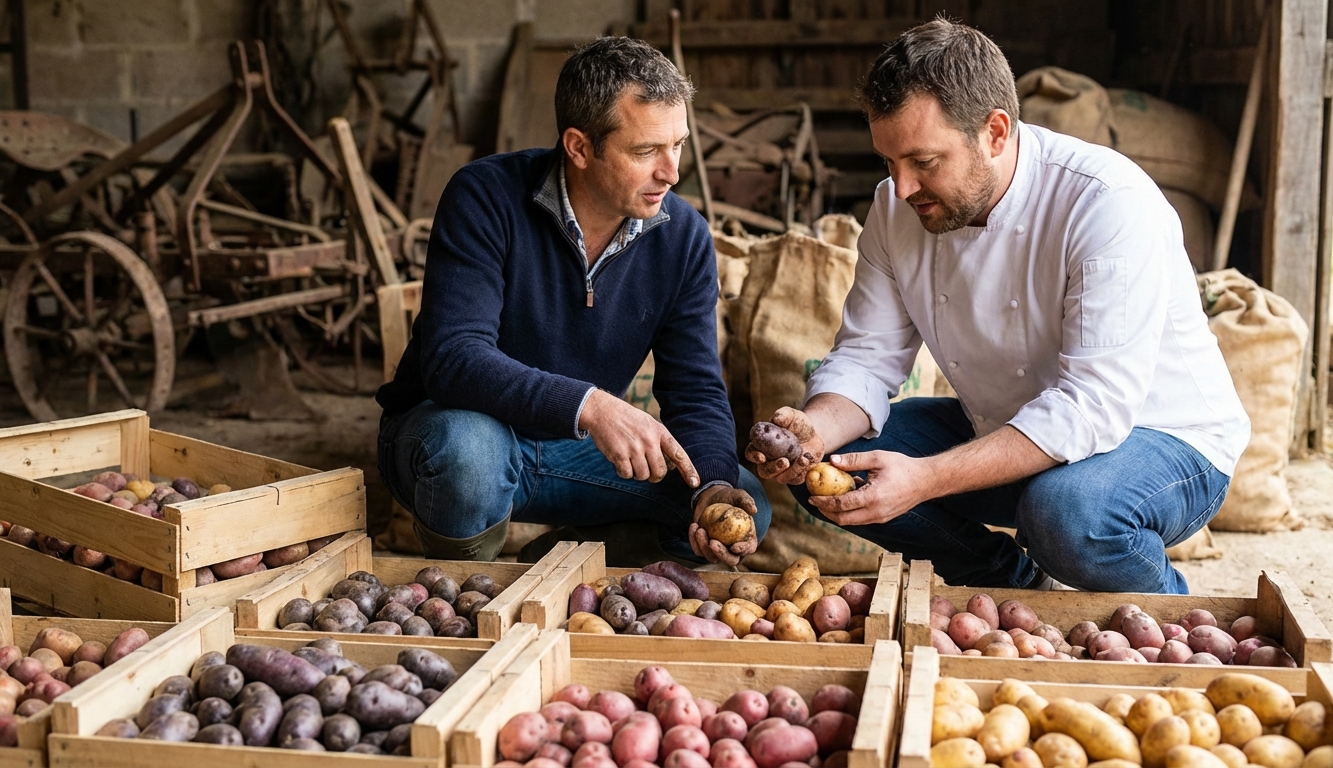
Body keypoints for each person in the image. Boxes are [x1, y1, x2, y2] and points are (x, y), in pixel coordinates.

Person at [746, 18, 1249, 594]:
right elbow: (865, 357)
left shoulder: (1107, 202)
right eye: (889, 163)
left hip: (1161, 438)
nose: (902, 188)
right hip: (1009, 425)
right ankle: (1015, 585)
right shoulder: (896, 207)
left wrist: (927, 479)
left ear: (995, 132)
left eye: (924, 162)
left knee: (1065, 515)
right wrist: (813, 432)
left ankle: (1171, 616)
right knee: (830, 470)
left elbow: (1094, 406)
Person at [376, 36, 769, 567]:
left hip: (574, 457)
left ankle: (560, 561)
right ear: (580, 148)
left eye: (677, 144)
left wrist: (713, 490)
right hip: (461, 435)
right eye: (646, 150)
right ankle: (468, 592)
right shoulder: (484, 197)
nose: (672, 172)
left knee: (741, 503)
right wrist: (591, 404)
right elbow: (454, 358)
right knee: (468, 454)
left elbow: (695, 388)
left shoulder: (684, 238)